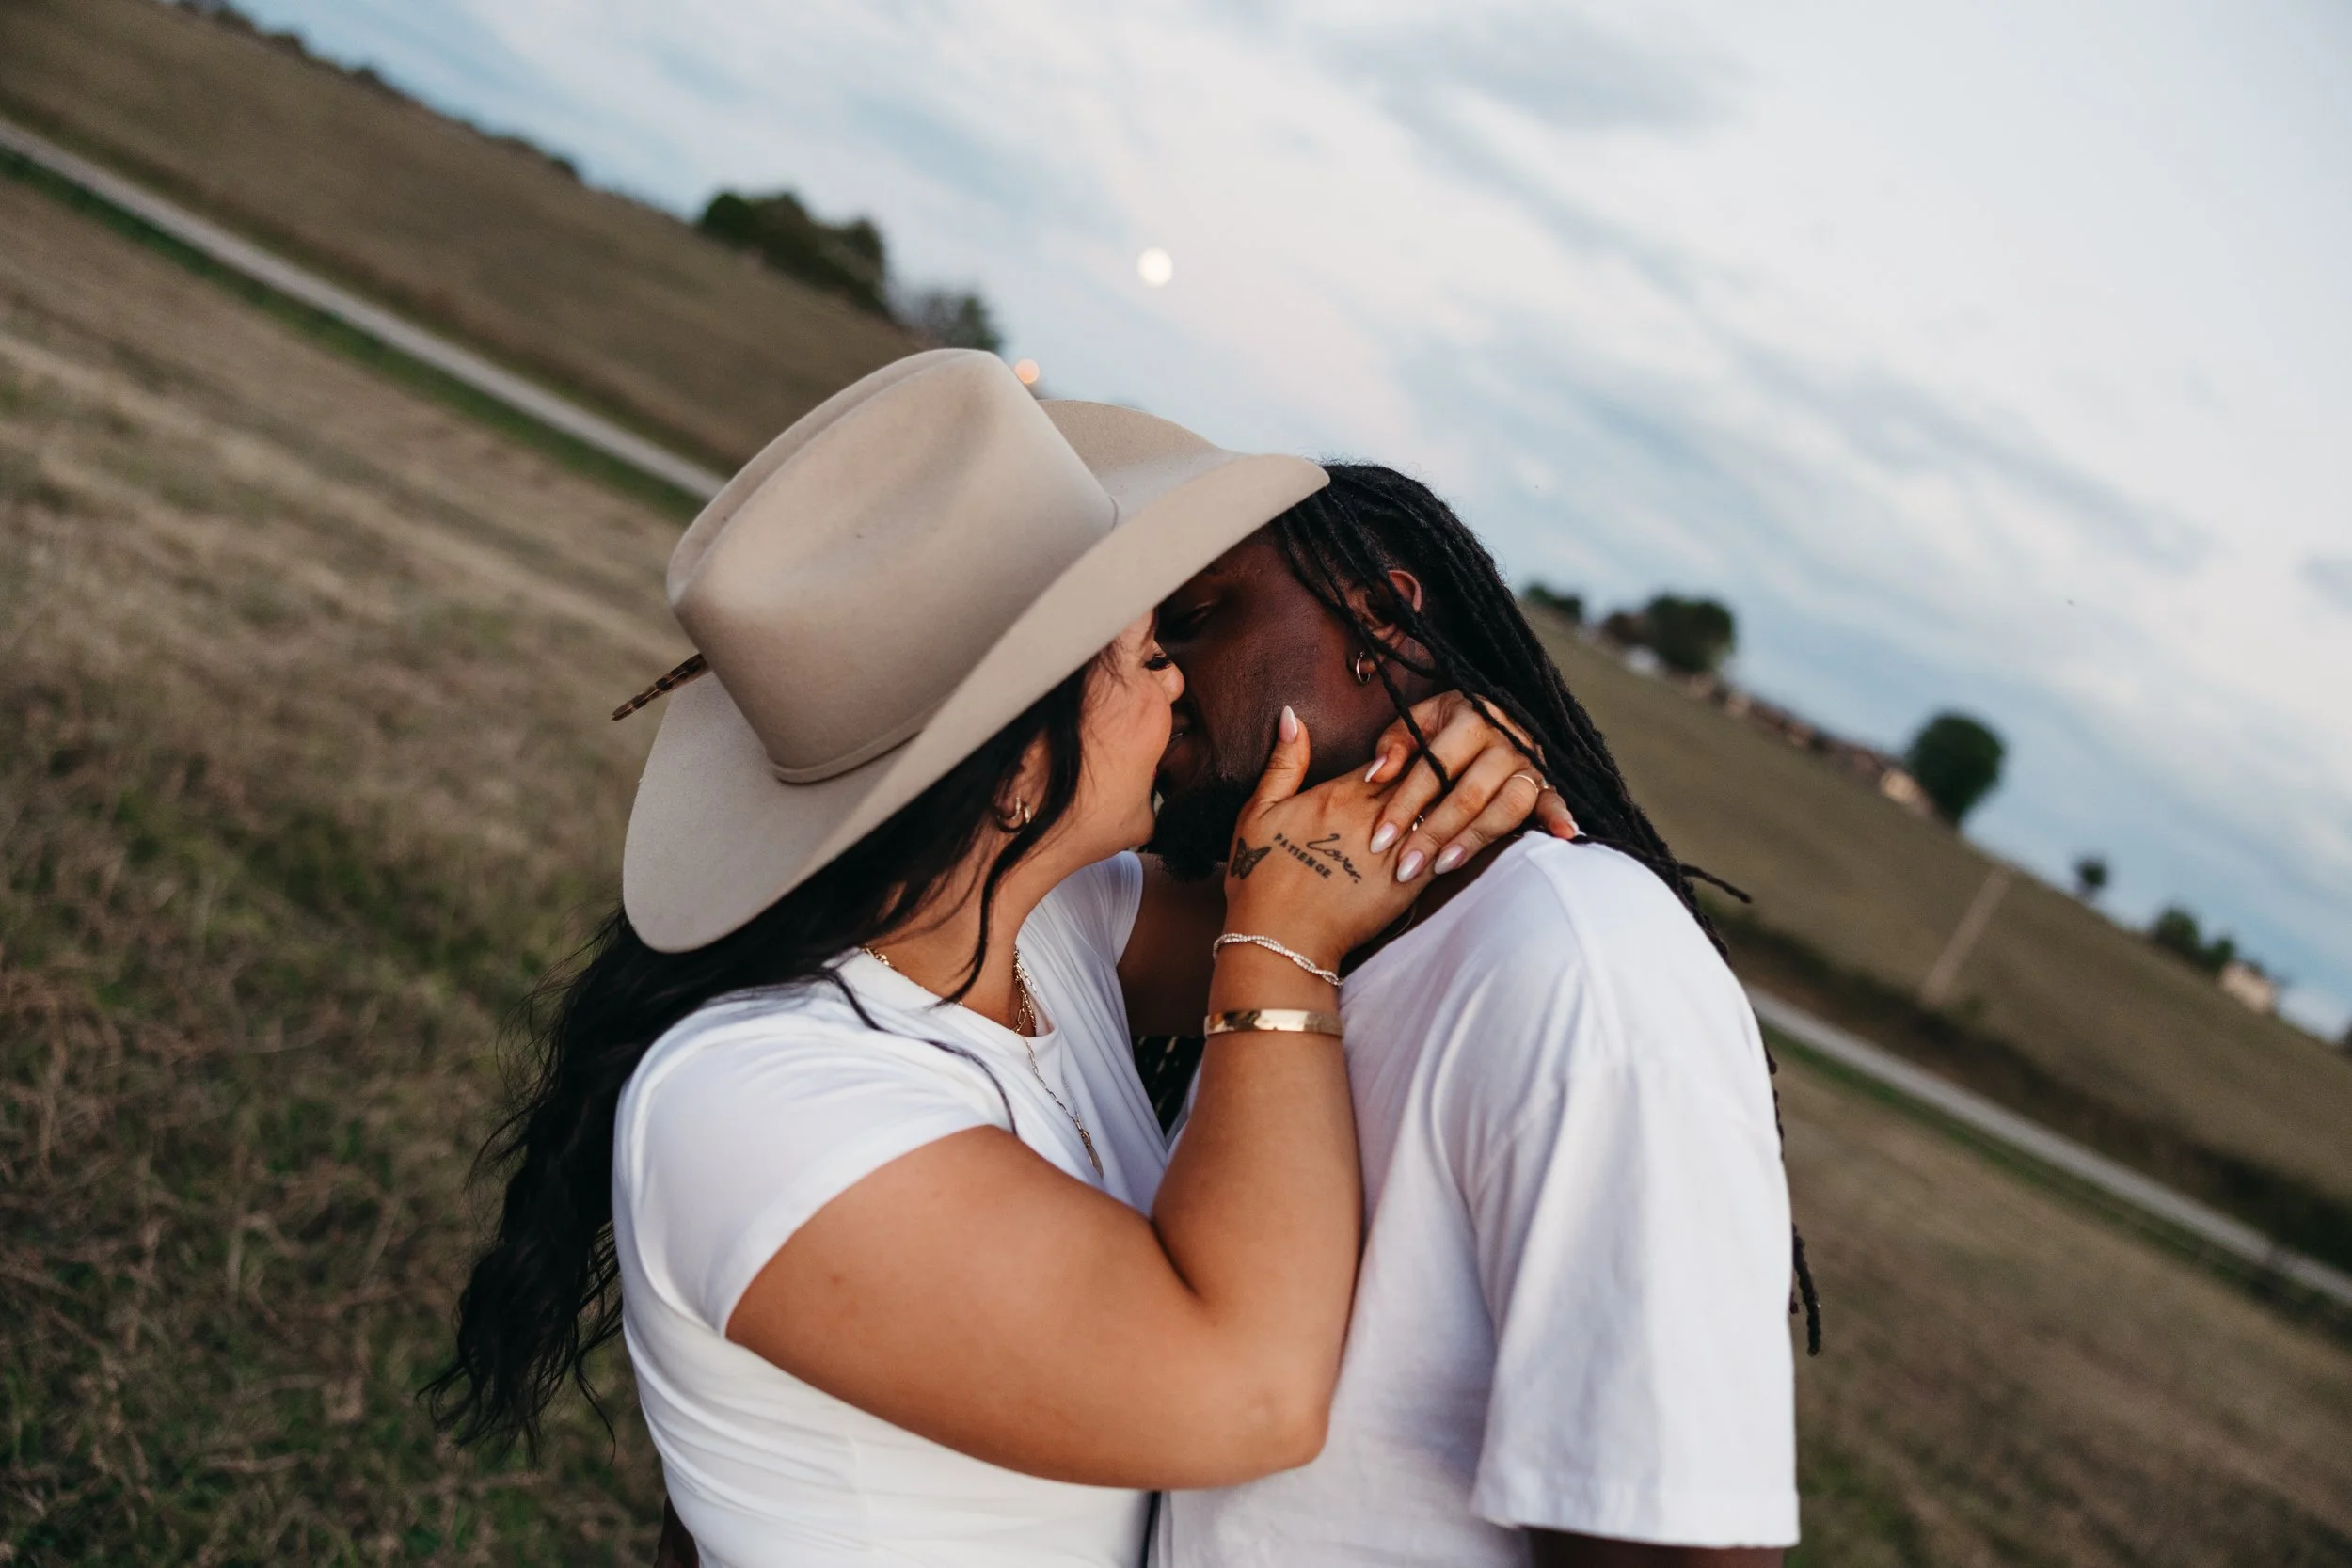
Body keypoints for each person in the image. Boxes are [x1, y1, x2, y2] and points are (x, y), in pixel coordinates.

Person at [426, 350, 1560, 1568]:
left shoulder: (1039, 933)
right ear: (1017, 769)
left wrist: (1440, 737)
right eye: (1138, 646)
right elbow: (1251, 1389)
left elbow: (1344, 883)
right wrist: (1281, 948)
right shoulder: (753, 1100)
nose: (1179, 676)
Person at [1136, 462, 1810, 1566]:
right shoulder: (1281, 933)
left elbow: (1671, 1547)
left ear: (1384, 617)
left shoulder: (1579, 971)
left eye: (1195, 622)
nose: (1156, 681)